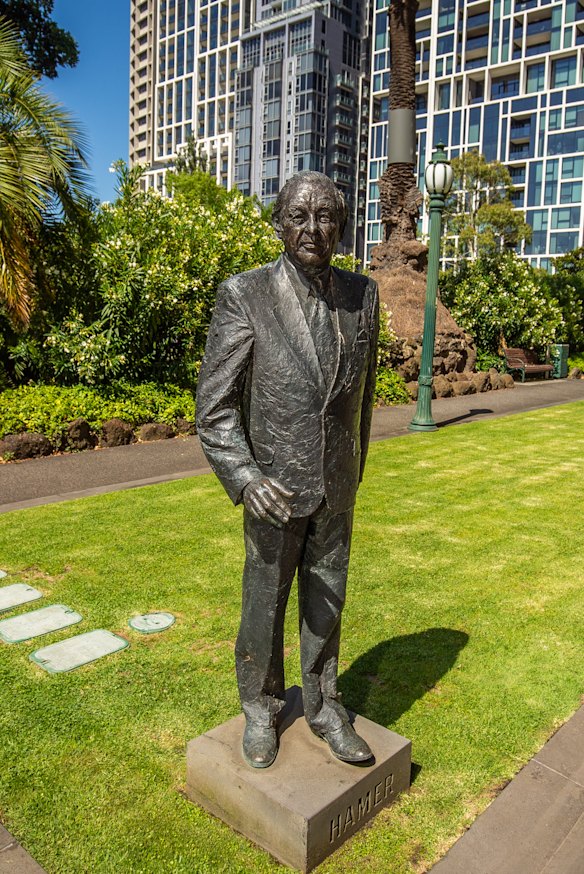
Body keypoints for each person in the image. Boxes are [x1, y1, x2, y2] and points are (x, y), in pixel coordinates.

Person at [196, 171, 379, 768]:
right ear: (279, 224)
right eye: (299, 215)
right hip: (271, 486)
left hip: (337, 481)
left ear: (342, 227)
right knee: (264, 601)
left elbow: (364, 397)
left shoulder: (363, 294)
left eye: (326, 215)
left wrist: (353, 467)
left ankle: (325, 704)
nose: (312, 227)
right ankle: (260, 705)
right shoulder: (244, 294)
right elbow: (215, 407)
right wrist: (246, 478)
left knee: (329, 598)